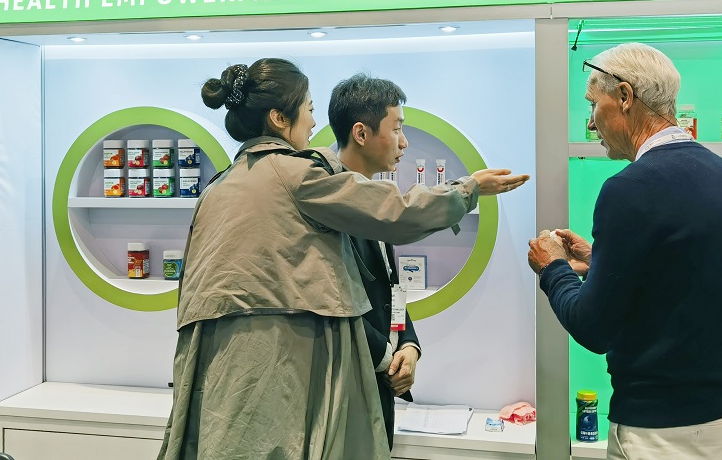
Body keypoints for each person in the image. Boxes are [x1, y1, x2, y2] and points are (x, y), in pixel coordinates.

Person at [157, 59, 529, 460]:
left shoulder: (217, 188)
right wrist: (467, 190)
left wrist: (407, 343)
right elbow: (397, 213)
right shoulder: (297, 175)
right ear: (280, 118)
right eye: (309, 109)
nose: (314, 122)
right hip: (282, 371)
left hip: (219, 378)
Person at [527, 43, 722, 460]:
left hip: (665, 430)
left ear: (624, 96)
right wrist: (601, 263)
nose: (591, 122)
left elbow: (593, 328)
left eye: (593, 104)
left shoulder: (629, 189)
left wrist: (553, 267)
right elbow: (685, 279)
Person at [328, 73, 419, 448]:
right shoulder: (327, 205)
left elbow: (390, 288)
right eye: (396, 129)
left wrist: (409, 346)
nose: (404, 142)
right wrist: (388, 358)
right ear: (361, 134)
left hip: (381, 386)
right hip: (343, 392)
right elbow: (335, 304)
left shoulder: (377, 197)